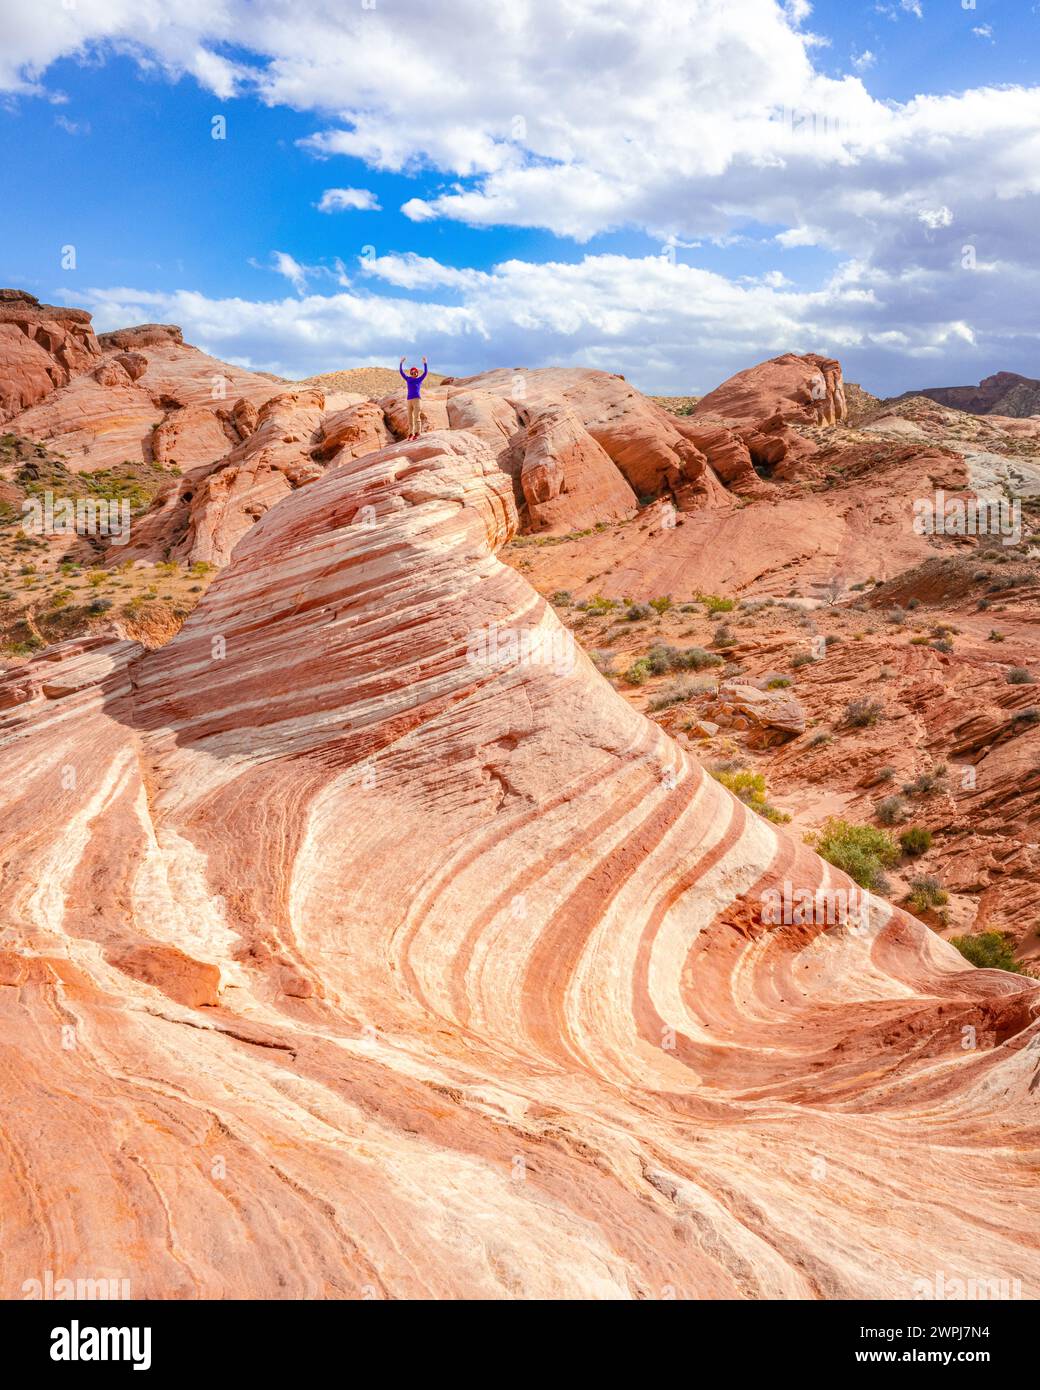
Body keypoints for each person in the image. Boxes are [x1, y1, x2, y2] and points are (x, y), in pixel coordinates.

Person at [399, 355, 428, 440]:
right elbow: (401, 372)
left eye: (415, 372)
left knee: (416, 417)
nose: (414, 374)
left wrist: (425, 363)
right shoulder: (408, 379)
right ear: (410, 373)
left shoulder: (419, 379)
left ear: (417, 373)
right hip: (409, 400)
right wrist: (401, 362)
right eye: (412, 372)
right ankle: (410, 434)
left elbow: (425, 373)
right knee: (410, 418)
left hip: (417, 399)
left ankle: (417, 433)